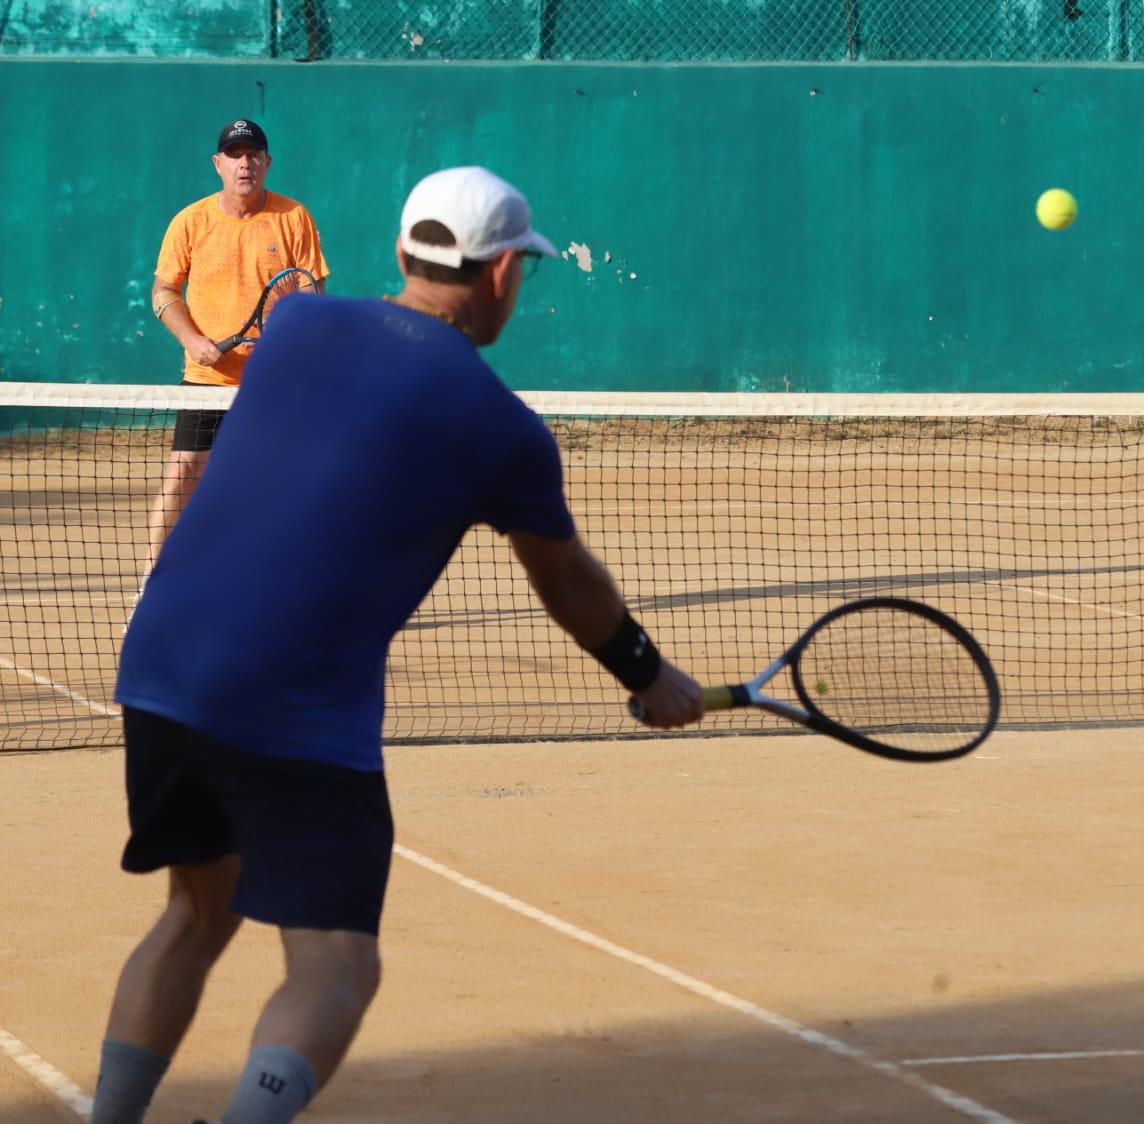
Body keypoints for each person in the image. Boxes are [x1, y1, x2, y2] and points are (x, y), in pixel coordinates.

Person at [92, 166, 704, 1124]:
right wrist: (647, 672)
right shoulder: (500, 428)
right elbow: (568, 583)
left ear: (402, 254)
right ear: (502, 272)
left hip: (161, 666)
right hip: (293, 710)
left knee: (194, 914)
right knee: (334, 960)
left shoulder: (294, 328)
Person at [142, 118, 330, 582]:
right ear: (218, 164)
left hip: (273, 384)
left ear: (267, 162)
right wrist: (192, 340)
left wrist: (291, 335)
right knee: (182, 475)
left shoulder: (294, 218)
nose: (245, 163)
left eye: (253, 154)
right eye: (235, 155)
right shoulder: (191, 221)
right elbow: (164, 289)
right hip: (205, 383)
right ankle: (152, 584)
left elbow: (313, 293)